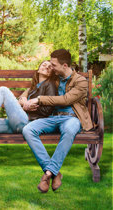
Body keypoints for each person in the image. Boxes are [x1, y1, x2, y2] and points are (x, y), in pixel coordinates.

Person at [21, 49, 93, 193]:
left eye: (53, 65)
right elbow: (34, 87)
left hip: (72, 118)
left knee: (69, 130)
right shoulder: (54, 76)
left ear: (64, 65)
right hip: (52, 118)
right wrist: (23, 99)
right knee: (28, 129)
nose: (50, 68)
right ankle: (55, 172)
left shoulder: (81, 82)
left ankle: (47, 174)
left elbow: (66, 99)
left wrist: (40, 99)